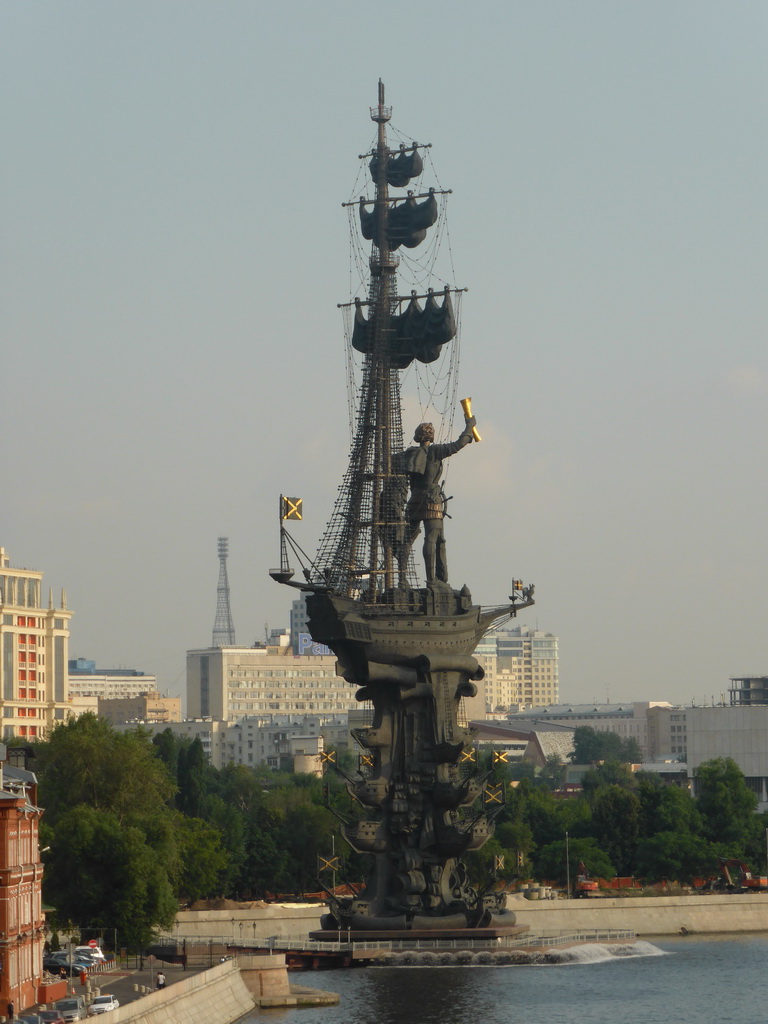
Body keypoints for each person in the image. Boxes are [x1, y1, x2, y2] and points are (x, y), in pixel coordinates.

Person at [402, 417, 476, 584]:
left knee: (407, 540)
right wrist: (469, 427)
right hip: (432, 500)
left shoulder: (410, 454)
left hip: (414, 500)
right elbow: (459, 443)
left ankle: (402, 578)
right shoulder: (435, 451)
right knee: (433, 538)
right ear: (431, 436)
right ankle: (433, 580)